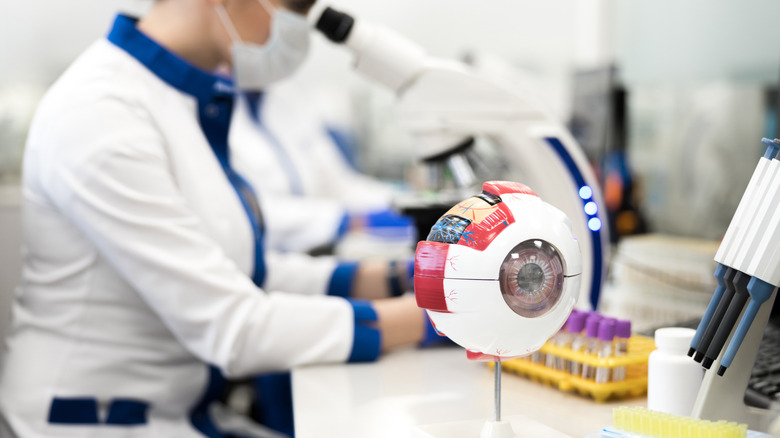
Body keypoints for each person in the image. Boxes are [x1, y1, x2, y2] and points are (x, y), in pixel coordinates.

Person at [0, 0, 429, 436]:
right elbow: (234, 327)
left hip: (180, 410)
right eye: (294, 7)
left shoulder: (180, 98)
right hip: (100, 421)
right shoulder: (101, 114)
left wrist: (397, 277)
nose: (299, 28)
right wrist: (434, 319)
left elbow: (234, 266)